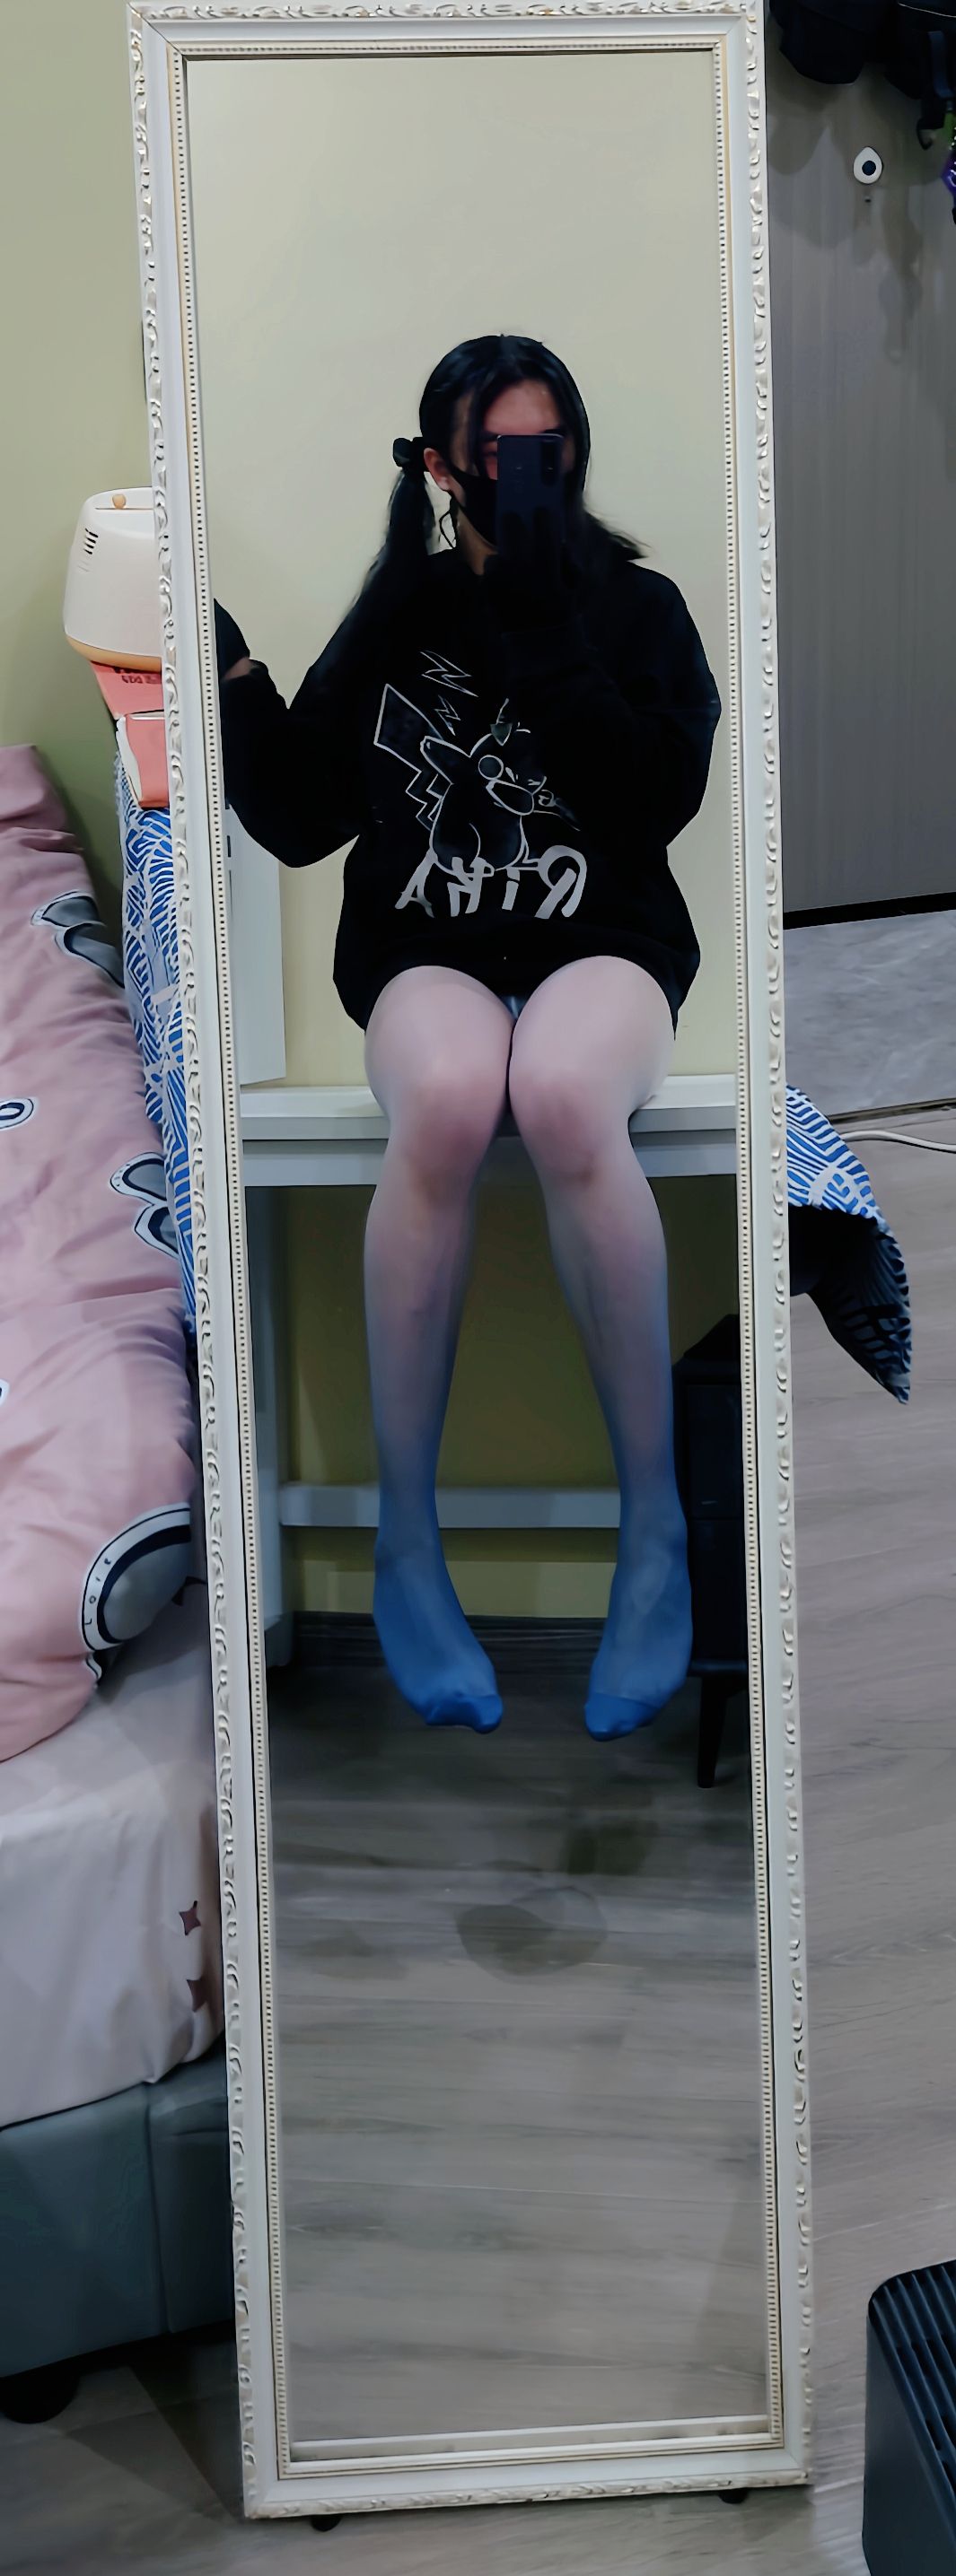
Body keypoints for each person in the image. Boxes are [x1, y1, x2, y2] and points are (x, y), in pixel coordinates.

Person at [215, 333, 721, 1741]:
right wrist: (229, 670)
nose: (529, 472)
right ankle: (405, 1538)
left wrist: (544, 618)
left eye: (551, 447)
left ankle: (653, 1531)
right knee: (446, 1095)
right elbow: (302, 817)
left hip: (603, 942)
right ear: (442, 467)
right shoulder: (403, 611)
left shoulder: (637, 609)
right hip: (425, 948)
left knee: (558, 1090)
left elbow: (652, 804)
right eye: (500, 452)